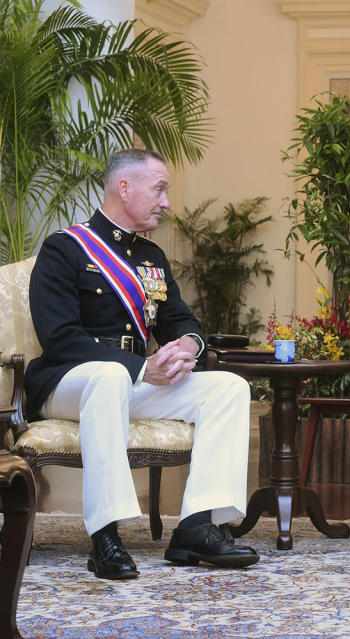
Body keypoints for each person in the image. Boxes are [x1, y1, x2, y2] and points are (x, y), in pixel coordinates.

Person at [26, 149, 259, 580]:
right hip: (68, 384)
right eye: (160, 189)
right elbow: (59, 338)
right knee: (111, 374)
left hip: (130, 381)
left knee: (229, 387)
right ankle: (106, 537)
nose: (166, 202)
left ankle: (197, 527)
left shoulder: (151, 257)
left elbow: (181, 320)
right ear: (124, 187)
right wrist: (140, 369)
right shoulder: (65, 248)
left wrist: (189, 344)